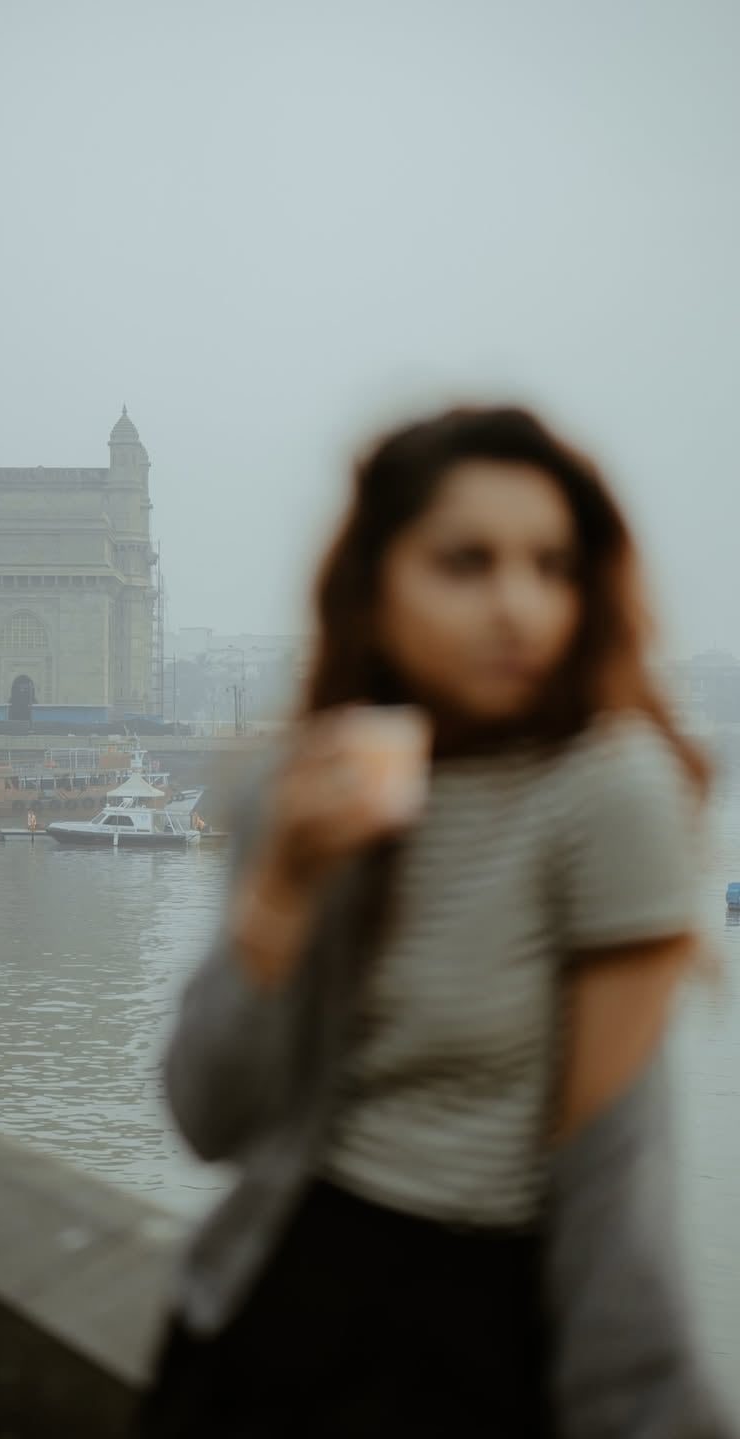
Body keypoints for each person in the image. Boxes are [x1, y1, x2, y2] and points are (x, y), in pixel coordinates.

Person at [136, 406, 732, 1437]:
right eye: (467, 562)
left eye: (551, 565)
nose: (517, 604)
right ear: (375, 580)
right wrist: (282, 886)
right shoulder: (301, 784)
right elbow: (208, 1115)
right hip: (256, 1327)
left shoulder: (608, 792)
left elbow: (615, 1179)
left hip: (471, 1338)